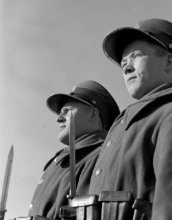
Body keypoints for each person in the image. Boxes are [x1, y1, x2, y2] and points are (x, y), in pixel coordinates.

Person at [89, 18, 172, 220]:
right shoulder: (122, 129)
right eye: (123, 63)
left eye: (135, 57)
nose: (126, 67)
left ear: (169, 62)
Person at [28, 80, 120, 220]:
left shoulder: (104, 157)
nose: (59, 118)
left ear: (92, 114)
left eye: (67, 111)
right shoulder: (58, 162)